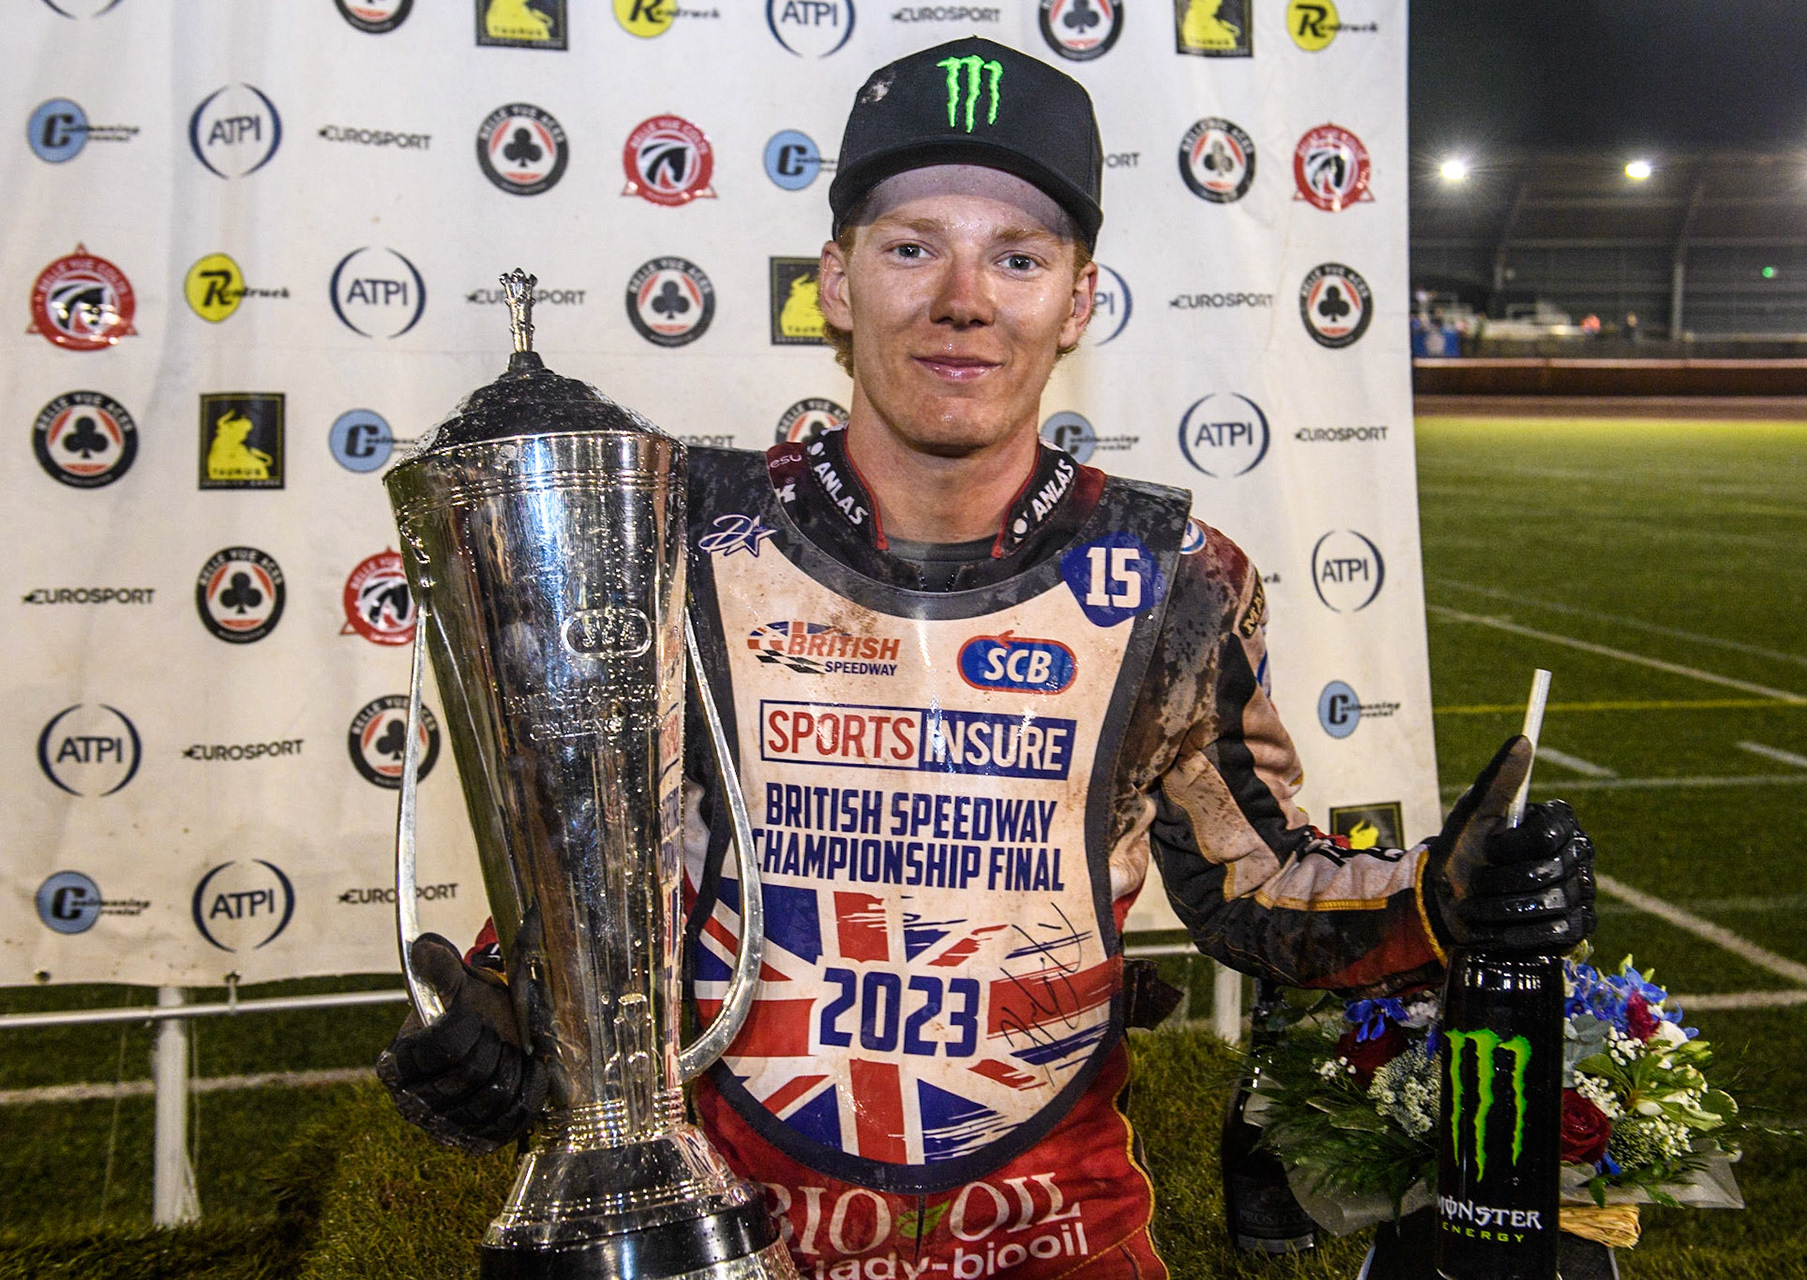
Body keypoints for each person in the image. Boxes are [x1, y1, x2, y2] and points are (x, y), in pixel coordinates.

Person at [378, 37, 1596, 1279]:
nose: (963, 297)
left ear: (1076, 302)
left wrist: (1442, 896)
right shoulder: (681, 539)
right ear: (837, 282)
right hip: (736, 1242)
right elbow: (594, 875)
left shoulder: (1178, 577)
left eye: (1017, 256)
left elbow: (1254, 882)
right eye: (912, 246)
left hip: (1065, 1242)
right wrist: (503, 1015)